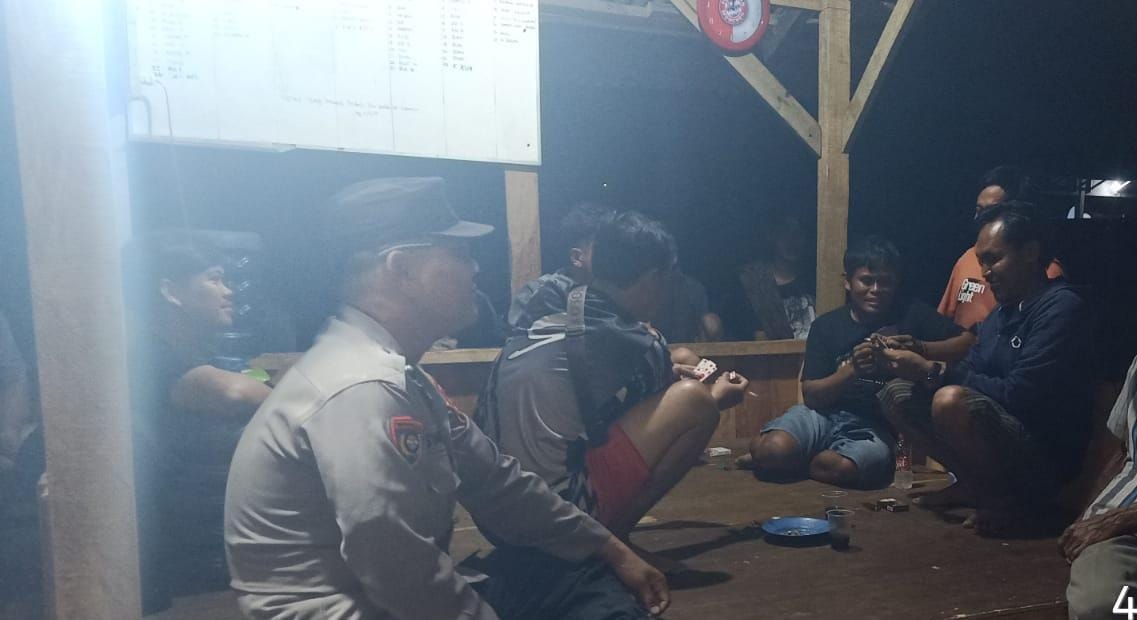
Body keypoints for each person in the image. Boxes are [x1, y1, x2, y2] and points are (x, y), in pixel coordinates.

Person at [225, 178, 669, 619]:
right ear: (401, 269)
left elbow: (499, 483)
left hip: (388, 598)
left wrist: (609, 548)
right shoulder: (363, 387)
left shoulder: (401, 376)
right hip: (351, 608)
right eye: (459, 253)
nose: (475, 268)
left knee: (582, 573)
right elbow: (399, 570)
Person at [477, 212, 748, 538]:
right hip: (550, 521)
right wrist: (716, 398)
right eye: (668, 279)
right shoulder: (636, 342)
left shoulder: (553, 307)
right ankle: (610, 542)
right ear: (653, 278)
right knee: (694, 401)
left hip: (493, 511)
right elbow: (660, 412)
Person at [879, 202, 1095, 535]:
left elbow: (1020, 395)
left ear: (1030, 252)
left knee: (950, 400)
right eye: (982, 262)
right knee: (895, 393)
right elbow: (972, 369)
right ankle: (972, 486)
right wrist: (917, 370)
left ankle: (1008, 504)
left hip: (1045, 454)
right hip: (1003, 433)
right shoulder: (1000, 315)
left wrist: (935, 371)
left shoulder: (1061, 307)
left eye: (994, 259)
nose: (985, 272)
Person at [740, 236, 973, 489]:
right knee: (773, 450)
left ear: (896, 282)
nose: (876, 290)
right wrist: (852, 369)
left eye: (885, 282)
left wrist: (920, 347)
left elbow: (968, 341)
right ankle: (775, 453)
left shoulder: (911, 314)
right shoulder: (826, 326)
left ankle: (792, 458)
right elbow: (812, 396)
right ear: (848, 282)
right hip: (822, 415)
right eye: (867, 280)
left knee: (841, 468)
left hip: (874, 428)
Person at [126, 232, 273, 610]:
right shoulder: (151, 357)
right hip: (176, 569)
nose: (229, 292)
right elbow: (233, 393)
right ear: (171, 292)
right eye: (214, 279)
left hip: (200, 555)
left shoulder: (190, 351)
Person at [938, 166, 1064, 329]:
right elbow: (943, 321)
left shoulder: (1046, 272)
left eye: (992, 211)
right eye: (979, 210)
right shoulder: (966, 259)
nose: (985, 272)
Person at [1063, 354, 1137, 619]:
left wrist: (1126, 517)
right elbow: (1120, 449)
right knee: (1102, 606)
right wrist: (1087, 518)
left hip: (1125, 520)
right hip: (1125, 535)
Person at [508, 202, 615, 331]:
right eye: (601, 249)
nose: (612, 256)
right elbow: (519, 339)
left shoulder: (619, 290)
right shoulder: (536, 293)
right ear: (577, 257)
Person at [728, 210, 816, 341]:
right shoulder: (754, 283)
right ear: (771, 236)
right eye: (785, 232)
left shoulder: (815, 280)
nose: (792, 240)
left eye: (798, 234)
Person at [651, 267, 723, 343]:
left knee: (710, 321)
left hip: (690, 343)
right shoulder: (651, 288)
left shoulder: (694, 289)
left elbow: (707, 324)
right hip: (659, 342)